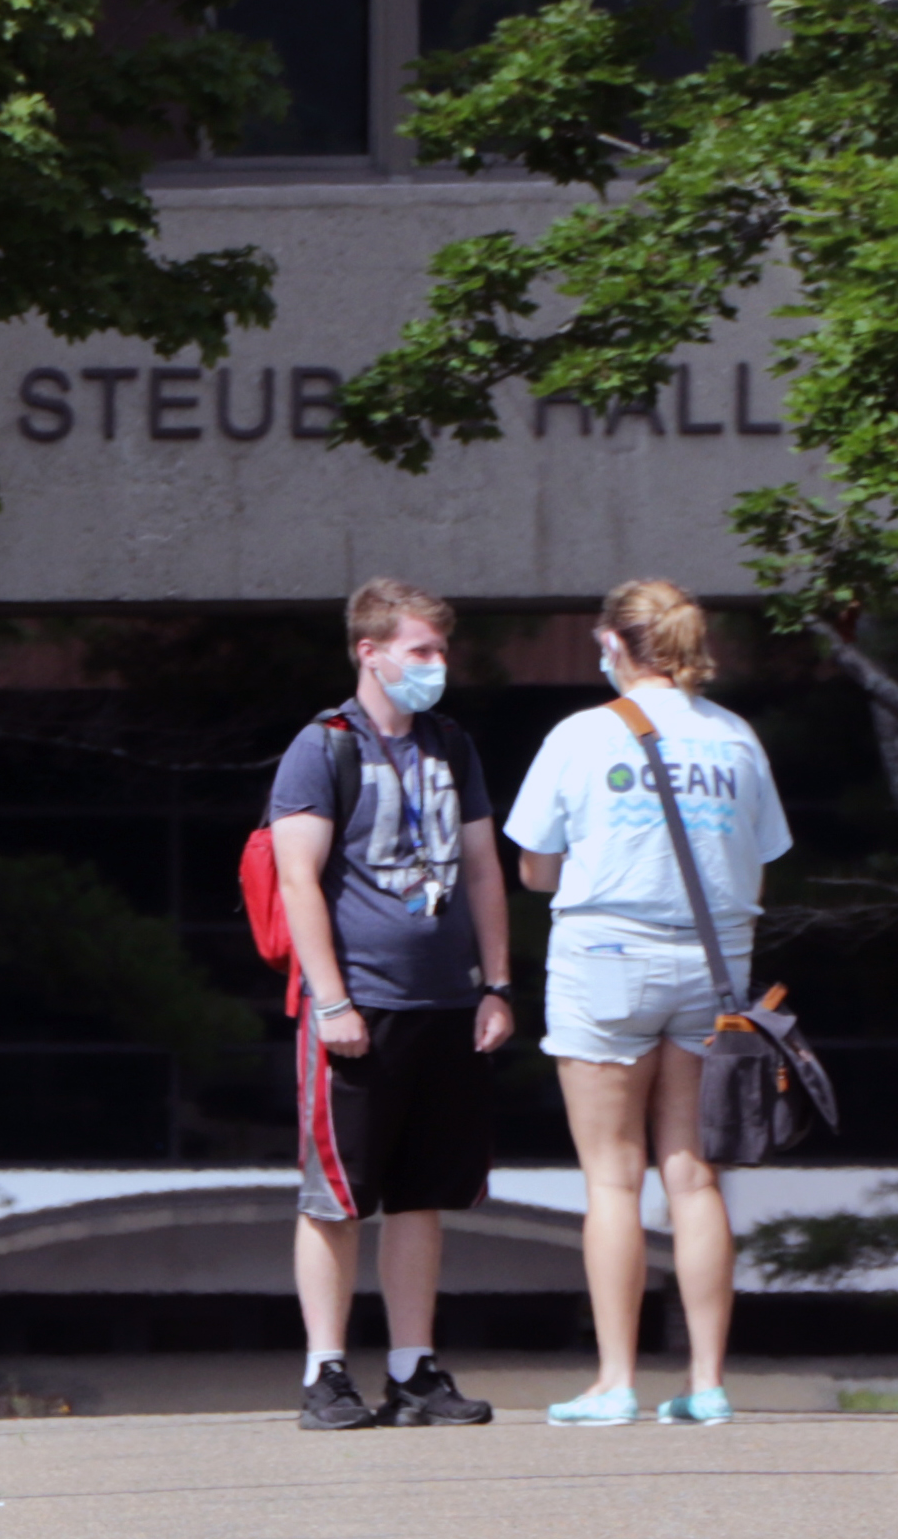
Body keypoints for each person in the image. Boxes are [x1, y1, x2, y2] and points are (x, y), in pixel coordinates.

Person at [502, 580, 794, 1429]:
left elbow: (535, 867)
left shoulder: (583, 735)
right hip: (714, 967)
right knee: (694, 1176)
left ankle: (615, 1382)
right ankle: (705, 1383)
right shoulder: (737, 740)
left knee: (611, 1178)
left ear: (617, 645)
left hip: (606, 958)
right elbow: (759, 861)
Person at [270, 578, 518, 1431]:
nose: (436, 666)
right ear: (369, 652)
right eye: (421, 651)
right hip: (359, 1007)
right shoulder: (323, 746)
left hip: (448, 1003)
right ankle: (324, 1372)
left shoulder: (452, 744)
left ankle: (414, 1371)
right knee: (337, 1197)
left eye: (442, 651)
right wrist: (332, 1000)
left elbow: (483, 868)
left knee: (422, 1195)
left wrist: (496, 985)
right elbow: (297, 876)